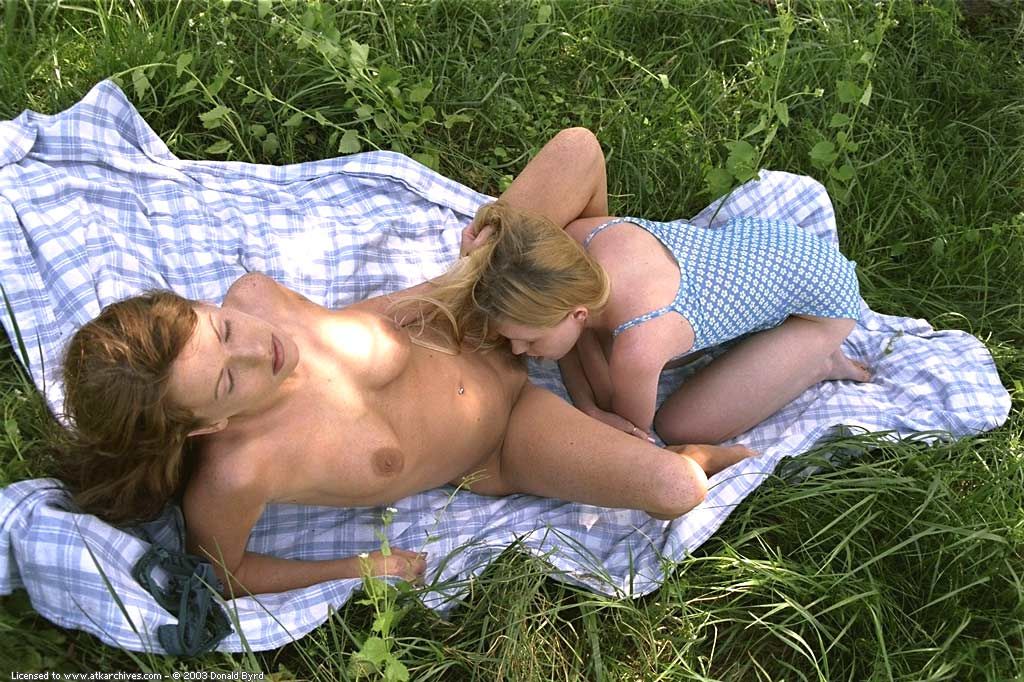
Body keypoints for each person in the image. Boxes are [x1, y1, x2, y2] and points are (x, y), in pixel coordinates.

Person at [57, 128, 754, 599]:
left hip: (470, 315)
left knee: (577, 150)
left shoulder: (255, 297)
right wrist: (366, 566)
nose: (255, 348)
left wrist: (473, 271)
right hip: (503, 437)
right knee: (676, 486)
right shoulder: (239, 472)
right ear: (205, 425)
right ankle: (594, 362)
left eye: (222, 329)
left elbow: (390, 311)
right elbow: (226, 575)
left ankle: (582, 312)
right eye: (228, 379)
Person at [442, 180, 872, 446]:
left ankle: (819, 361)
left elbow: (628, 428)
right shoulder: (579, 238)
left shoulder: (639, 348)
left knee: (680, 427)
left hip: (823, 305)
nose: (518, 350)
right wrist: (586, 397)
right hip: (768, 244)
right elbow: (576, 344)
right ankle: (761, 332)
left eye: (529, 340)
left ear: (577, 314)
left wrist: (592, 407)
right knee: (631, 350)